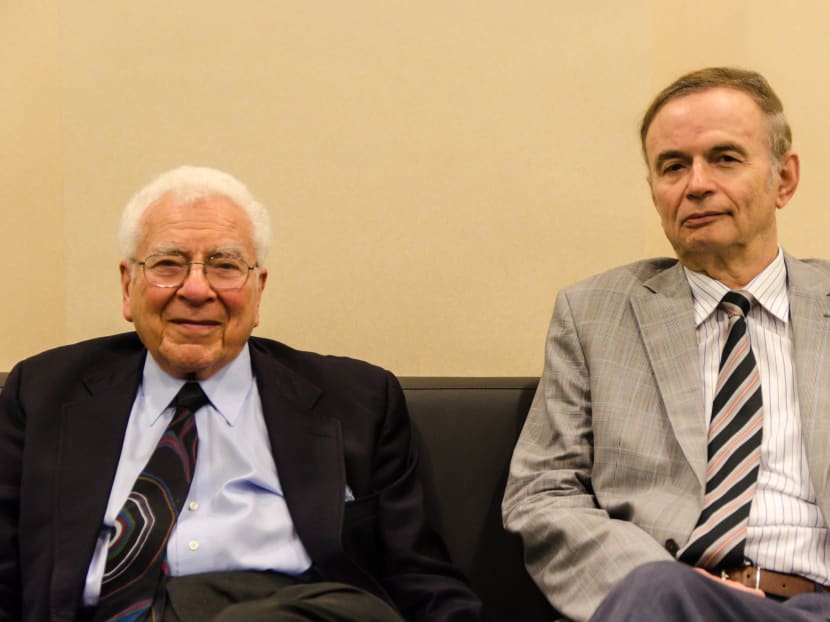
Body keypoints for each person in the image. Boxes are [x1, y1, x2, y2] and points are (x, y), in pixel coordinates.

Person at [0, 166, 484, 622]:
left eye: (224, 266)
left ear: (258, 290)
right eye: (168, 264)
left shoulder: (357, 402)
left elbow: (420, 579)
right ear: (128, 286)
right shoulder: (43, 394)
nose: (196, 289)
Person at [502, 66, 830, 622]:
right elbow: (543, 491)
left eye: (724, 158)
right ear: (654, 192)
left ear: (784, 180)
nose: (696, 184)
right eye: (673, 166)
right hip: (657, 599)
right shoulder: (595, 314)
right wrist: (655, 582)